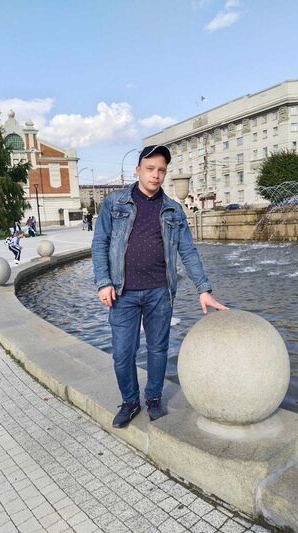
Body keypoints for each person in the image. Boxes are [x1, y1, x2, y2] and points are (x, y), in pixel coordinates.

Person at [92, 145, 227, 429]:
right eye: (150, 169)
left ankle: (153, 397)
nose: (156, 175)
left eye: (161, 170)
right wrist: (103, 282)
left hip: (159, 292)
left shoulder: (173, 210)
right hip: (122, 292)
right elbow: (100, 242)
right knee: (123, 354)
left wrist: (203, 289)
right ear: (138, 169)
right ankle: (130, 401)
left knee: (158, 349)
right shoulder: (115, 202)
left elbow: (187, 251)